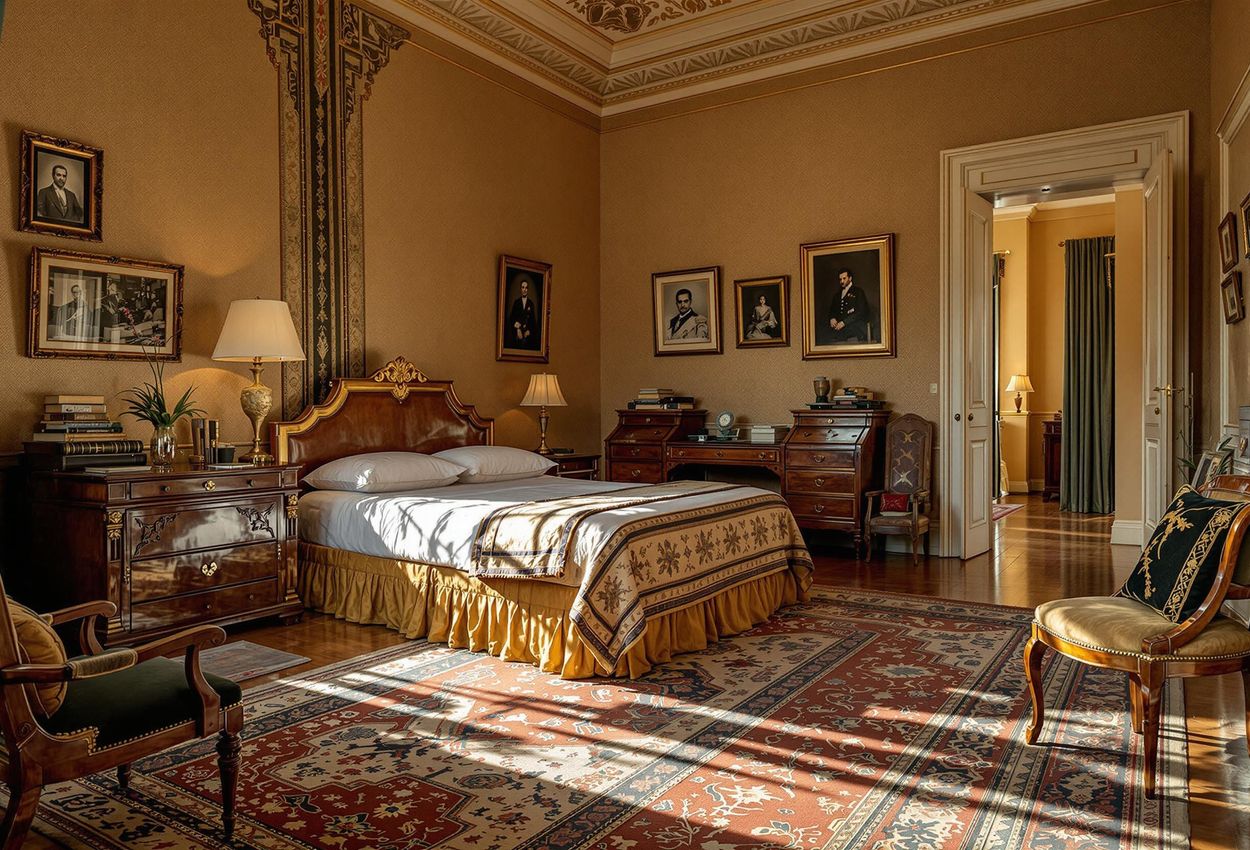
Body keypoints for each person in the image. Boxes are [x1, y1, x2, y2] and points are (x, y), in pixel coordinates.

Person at [827, 268, 870, 342]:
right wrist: (832, 318)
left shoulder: (858, 292)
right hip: (840, 330)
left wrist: (844, 322)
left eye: (844, 278)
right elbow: (832, 310)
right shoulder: (837, 295)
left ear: (850, 278)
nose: (842, 281)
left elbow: (862, 312)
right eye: (840, 279)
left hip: (856, 329)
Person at [508, 275, 540, 349]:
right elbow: (511, 318)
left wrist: (529, 331)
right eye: (523, 287)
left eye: (526, 288)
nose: (524, 290)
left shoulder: (531, 303)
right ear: (520, 289)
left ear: (527, 289)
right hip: (517, 335)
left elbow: (533, 322)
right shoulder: (516, 302)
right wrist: (517, 329)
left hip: (527, 336)